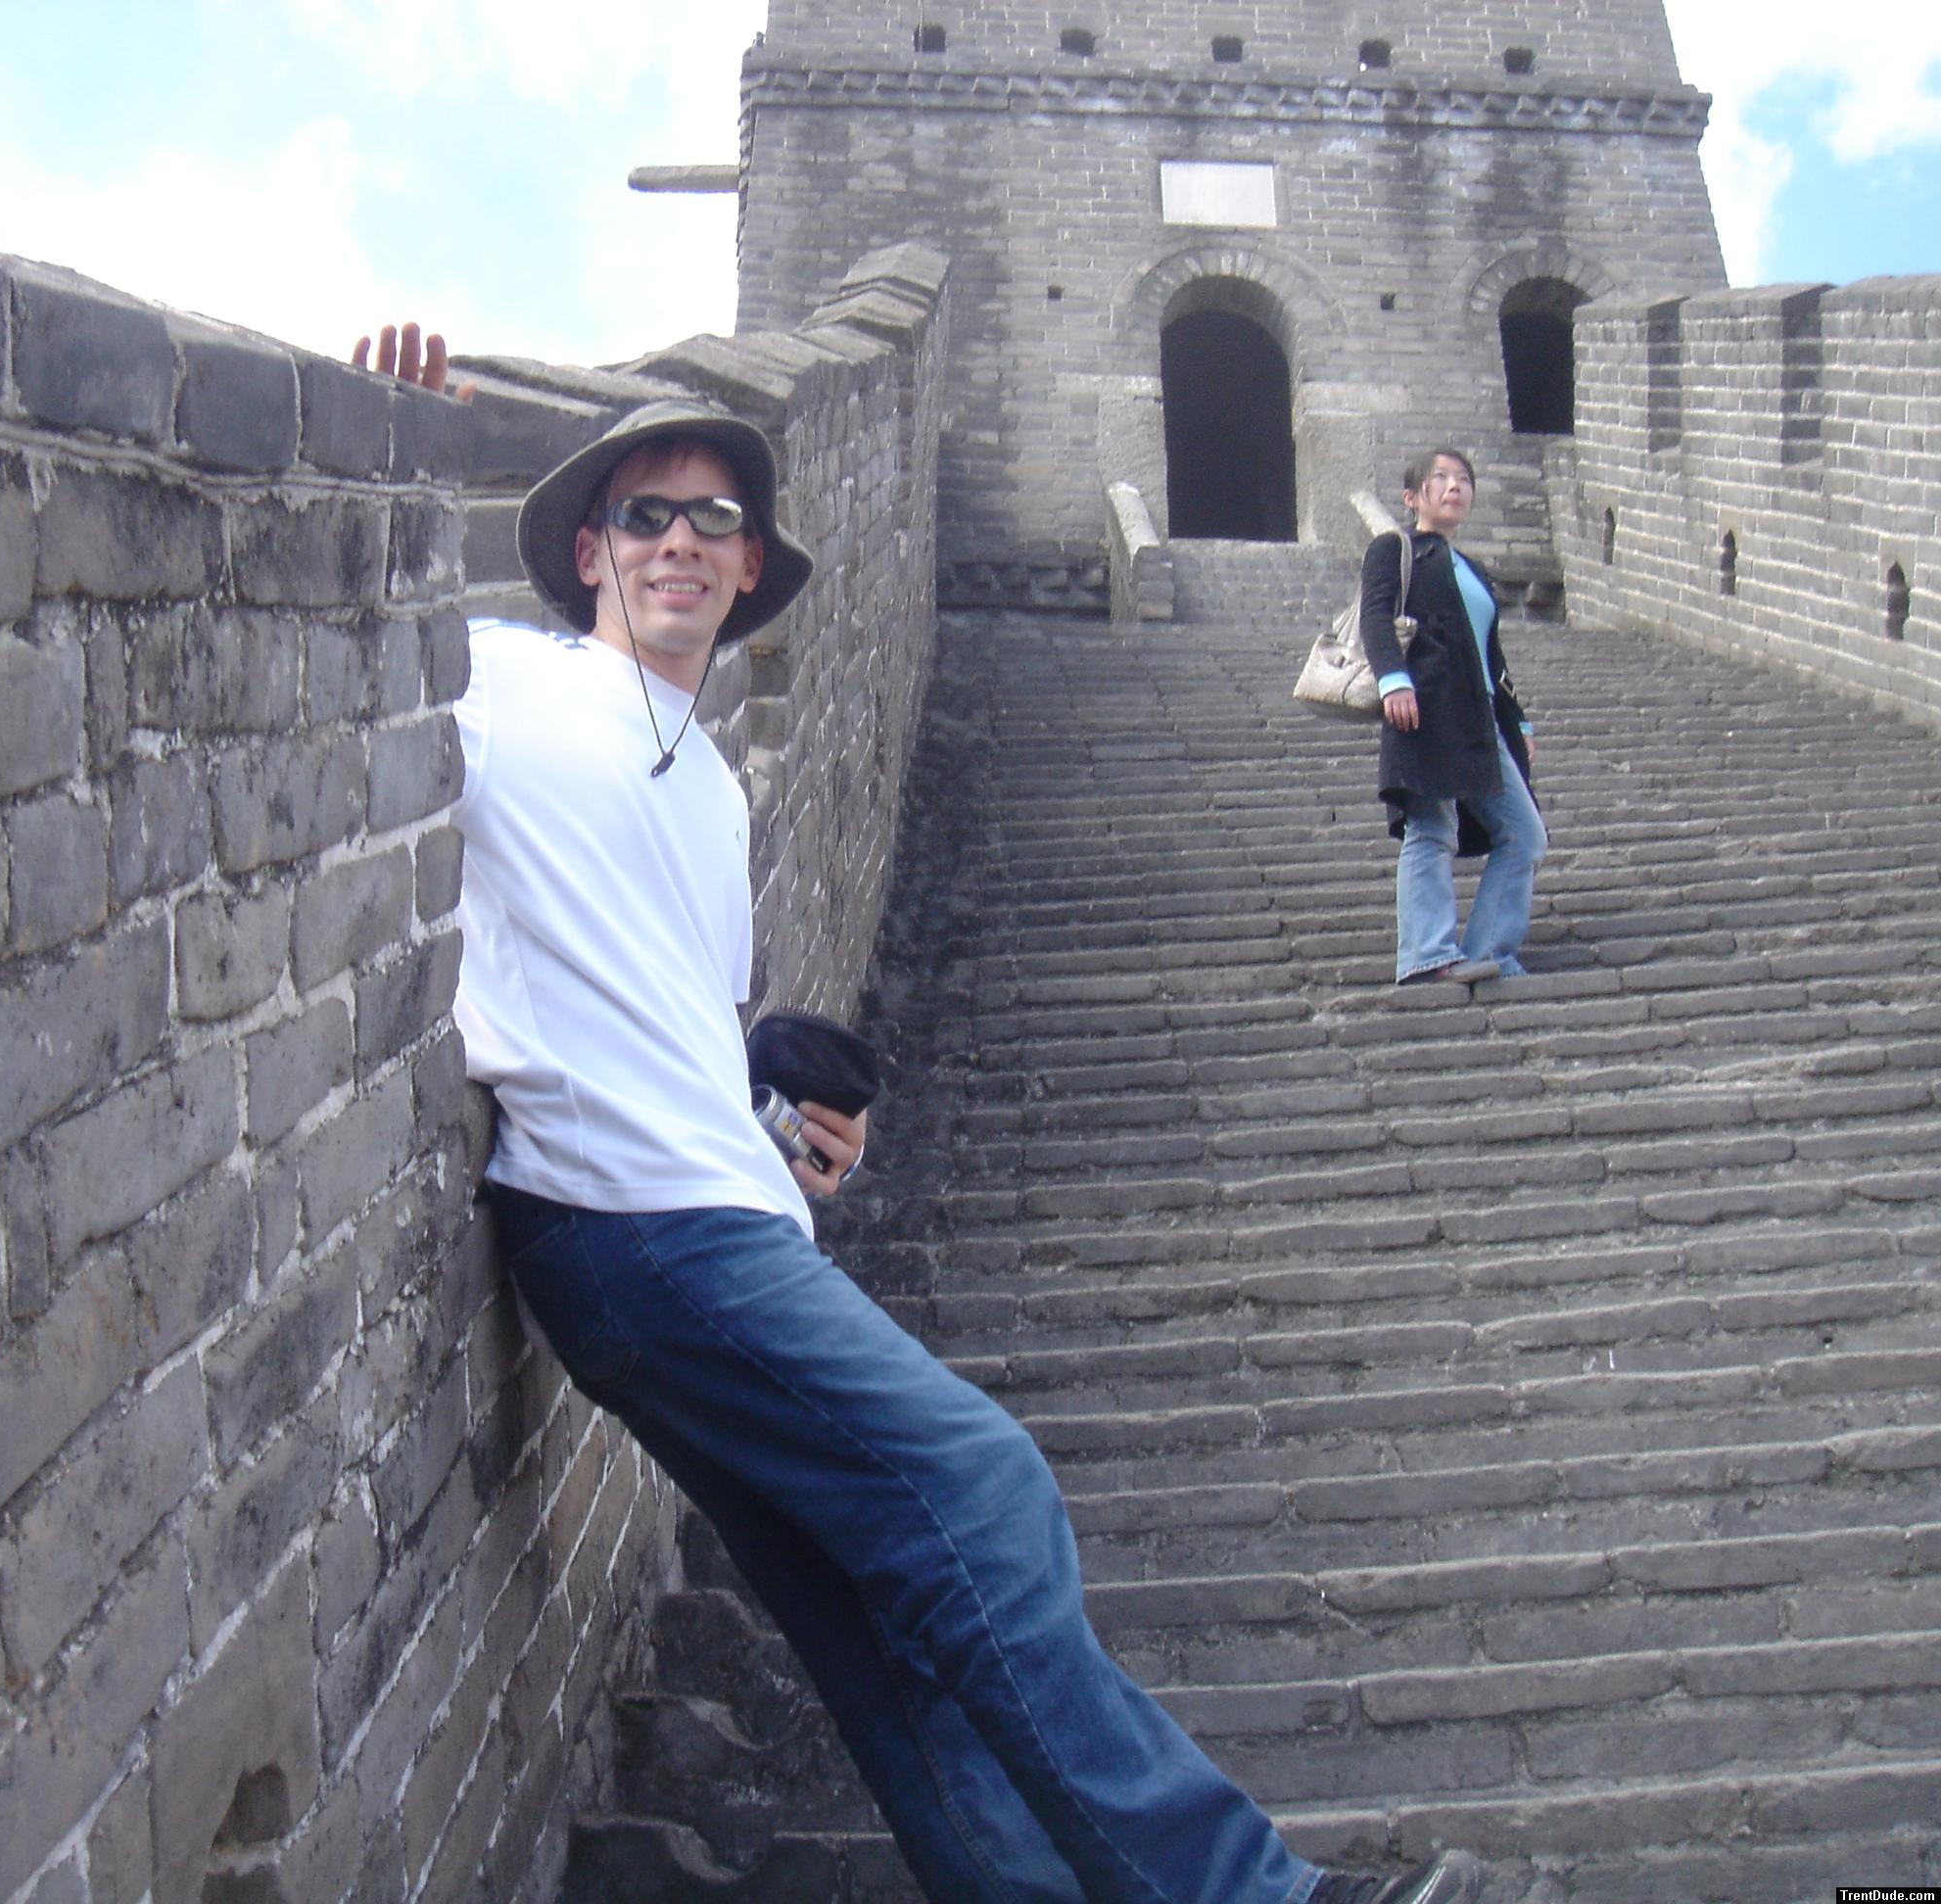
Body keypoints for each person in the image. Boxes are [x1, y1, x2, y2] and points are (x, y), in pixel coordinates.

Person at [361, 335, 1485, 1904]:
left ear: (751, 567)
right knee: (982, 1486)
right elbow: (344, 641)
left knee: (883, 1629)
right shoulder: (508, 680)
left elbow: (650, 1013)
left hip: (704, 1217)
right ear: (582, 553)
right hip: (631, 1229)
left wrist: (779, 1125)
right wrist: (386, 435)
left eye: (711, 519)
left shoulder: (721, 784)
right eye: (643, 517)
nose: (678, 539)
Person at [1360, 450, 1546, 986]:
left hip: (1482, 719)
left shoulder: (1473, 570)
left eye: (1463, 479)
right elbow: (1376, 614)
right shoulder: (1394, 550)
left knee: (1525, 835)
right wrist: (1394, 678)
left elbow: (1491, 655)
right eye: (1439, 478)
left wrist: (1519, 722)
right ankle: (1425, 953)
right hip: (1426, 708)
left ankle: (1488, 952)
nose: (1453, 487)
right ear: (1412, 497)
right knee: (1431, 826)